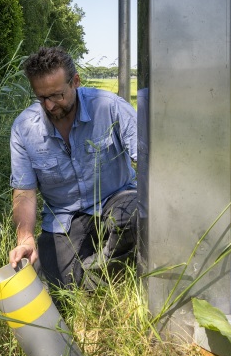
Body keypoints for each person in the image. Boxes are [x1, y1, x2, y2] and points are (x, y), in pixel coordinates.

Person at [8, 47, 139, 290]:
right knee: (61, 287)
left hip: (116, 199)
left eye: (57, 95)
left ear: (75, 81)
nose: (49, 106)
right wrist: (25, 237)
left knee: (132, 217)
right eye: (41, 98)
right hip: (65, 218)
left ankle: (108, 266)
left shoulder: (109, 107)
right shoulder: (24, 128)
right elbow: (24, 192)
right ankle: (99, 271)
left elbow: (147, 158)